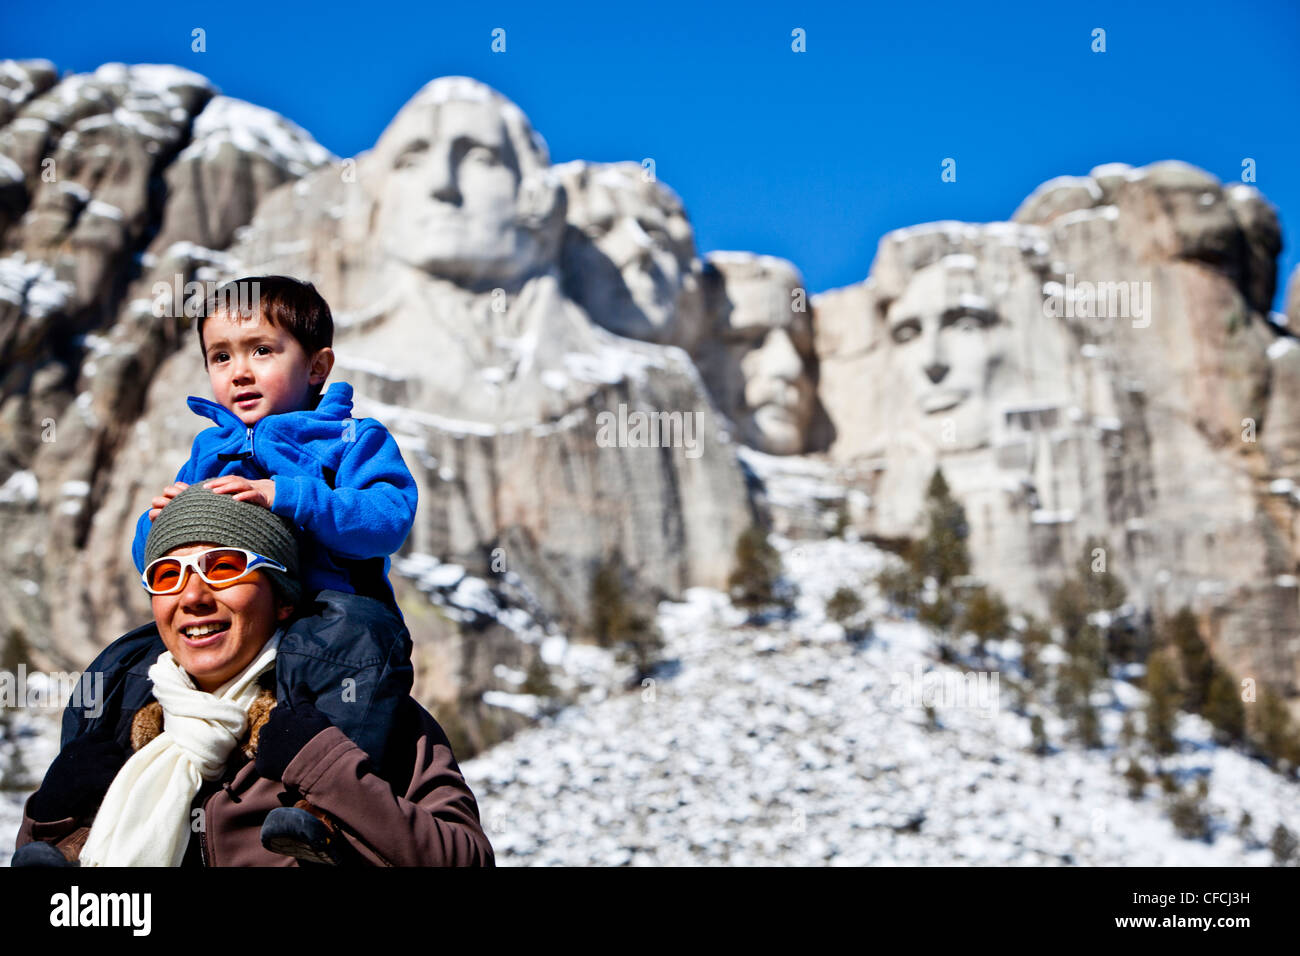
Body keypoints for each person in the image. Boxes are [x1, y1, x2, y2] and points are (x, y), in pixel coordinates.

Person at [13, 484, 493, 866]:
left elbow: (465, 859)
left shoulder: (362, 713)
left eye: (224, 568)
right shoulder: (121, 731)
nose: (193, 596)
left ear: (283, 599)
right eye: (166, 576)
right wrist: (49, 823)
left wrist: (330, 772)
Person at [124, 274, 419, 850]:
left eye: (262, 350)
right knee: (122, 663)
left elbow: (387, 519)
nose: (239, 370)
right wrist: (158, 526)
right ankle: (70, 821)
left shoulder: (350, 438)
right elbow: (156, 563)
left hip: (324, 621)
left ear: (316, 366)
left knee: (363, 641)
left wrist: (290, 495)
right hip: (233, 624)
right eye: (220, 356)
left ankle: (329, 814)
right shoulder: (209, 452)